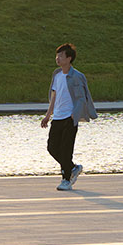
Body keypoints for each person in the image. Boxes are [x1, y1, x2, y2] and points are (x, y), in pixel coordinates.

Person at [39, 42, 97, 191]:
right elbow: (54, 96)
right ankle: (73, 168)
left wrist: (74, 116)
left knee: (66, 150)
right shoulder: (57, 75)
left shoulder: (76, 77)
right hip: (57, 117)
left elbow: (81, 98)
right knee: (52, 147)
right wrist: (47, 116)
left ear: (69, 58)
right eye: (57, 56)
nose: (57, 58)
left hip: (69, 118)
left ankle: (66, 180)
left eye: (61, 56)